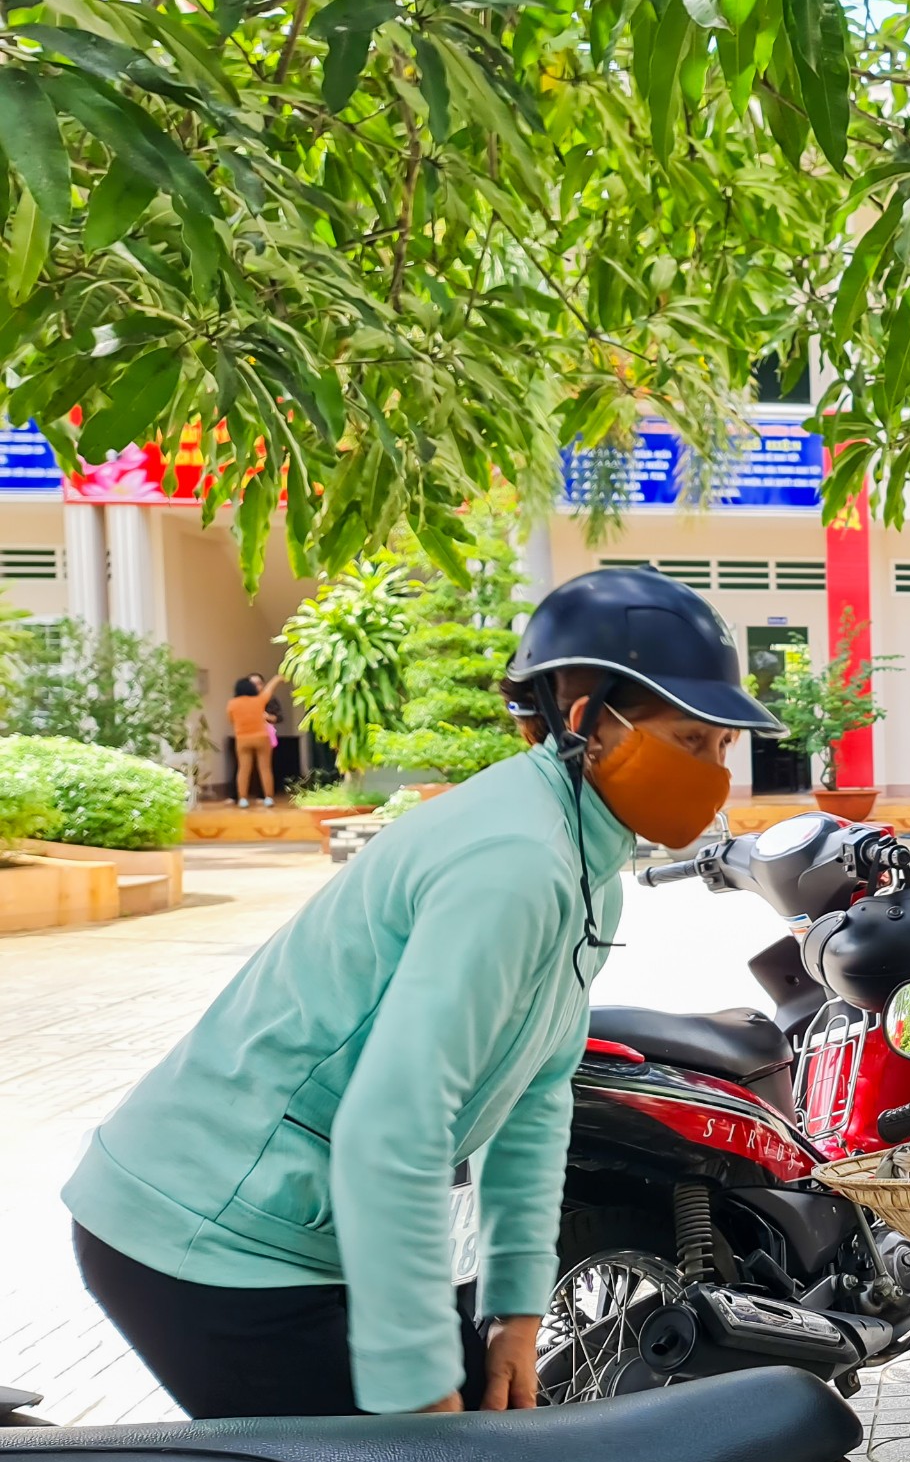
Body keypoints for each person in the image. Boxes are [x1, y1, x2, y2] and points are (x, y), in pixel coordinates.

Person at [65, 568, 781, 1419]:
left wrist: (514, 1315)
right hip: (210, 1233)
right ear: (583, 719)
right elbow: (391, 1126)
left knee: (490, 1449)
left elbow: (536, 1100)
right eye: (689, 742)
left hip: (315, 1229)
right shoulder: (514, 862)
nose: (712, 775)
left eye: (720, 750)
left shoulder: (588, 871)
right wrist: (415, 1374)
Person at [228, 672, 279, 807]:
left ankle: (243, 799)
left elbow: (231, 720)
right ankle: (268, 798)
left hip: (242, 739)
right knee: (265, 768)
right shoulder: (259, 700)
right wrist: (277, 678)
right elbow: (269, 689)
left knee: (243, 769)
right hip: (262, 738)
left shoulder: (232, 704)